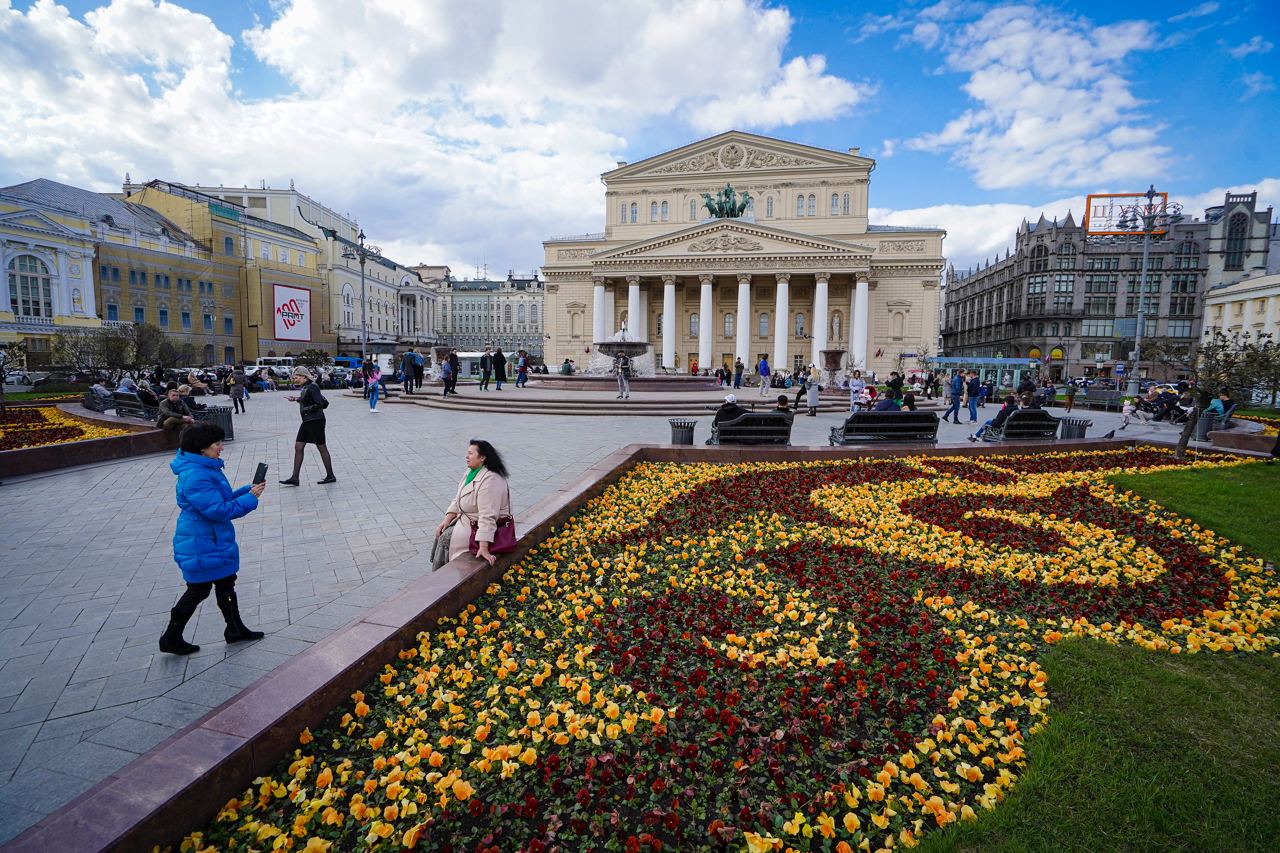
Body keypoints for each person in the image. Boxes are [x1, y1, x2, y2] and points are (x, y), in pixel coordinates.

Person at [160, 422, 266, 655]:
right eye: (217, 444)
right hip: (202, 540)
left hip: (213, 538)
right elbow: (218, 510)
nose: (221, 448)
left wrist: (247, 491)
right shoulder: (196, 475)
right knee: (198, 589)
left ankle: (235, 629)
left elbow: (221, 499)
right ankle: (171, 637)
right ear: (202, 449)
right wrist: (250, 500)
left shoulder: (205, 468)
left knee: (226, 583)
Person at [435, 439, 512, 568]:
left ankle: (443, 578)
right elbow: (458, 498)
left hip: (478, 527)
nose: (467, 456)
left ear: (482, 457)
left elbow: (488, 515)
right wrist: (447, 520)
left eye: (470, 453)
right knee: (441, 532)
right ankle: (439, 576)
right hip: (467, 521)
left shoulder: (491, 479)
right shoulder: (471, 472)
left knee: (445, 539)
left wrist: (483, 547)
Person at [280, 367, 336, 485]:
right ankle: (295, 478)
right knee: (298, 447)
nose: (295, 380)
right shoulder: (307, 386)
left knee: (321, 447)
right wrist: (296, 399)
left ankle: (330, 475)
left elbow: (319, 403)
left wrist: (305, 409)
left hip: (315, 421)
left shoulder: (312, 386)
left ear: (303, 376)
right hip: (308, 421)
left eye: (297, 377)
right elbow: (307, 399)